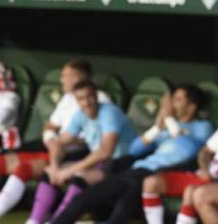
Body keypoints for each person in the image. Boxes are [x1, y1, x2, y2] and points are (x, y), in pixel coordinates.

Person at [0, 59, 110, 224]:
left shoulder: (100, 99)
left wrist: (60, 143)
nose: (62, 80)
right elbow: (50, 126)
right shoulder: (67, 98)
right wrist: (51, 139)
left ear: (78, 77)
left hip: (74, 155)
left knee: (25, 169)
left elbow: (97, 140)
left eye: (66, 76)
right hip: (51, 147)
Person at [54, 85, 214, 224]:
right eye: (171, 99)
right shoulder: (166, 126)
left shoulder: (202, 127)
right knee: (83, 200)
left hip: (160, 175)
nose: (171, 104)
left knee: (122, 208)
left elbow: (188, 150)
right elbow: (134, 150)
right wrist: (157, 128)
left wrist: (169, 121)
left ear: (192, 107)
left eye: (178, 100)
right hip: (136, 170)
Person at [26, 80, 137, 224]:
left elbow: (105, 152)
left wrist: (69, 171)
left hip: (124, 166)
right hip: (101, 165)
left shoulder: (110, 112)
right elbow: (60, 142)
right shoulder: (80, 115)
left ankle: (57, 221)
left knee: (79, 176)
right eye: (81, 98)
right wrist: (54, 166)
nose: (86, 102)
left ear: (96, 96)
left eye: (89, 96)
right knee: (50, 172)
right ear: (76, 101)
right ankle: (34, 221)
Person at [141, 121, 218, 224]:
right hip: (206, 175)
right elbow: (204, 152)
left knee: (193, 192)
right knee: (151, 182)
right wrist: (204, 169)